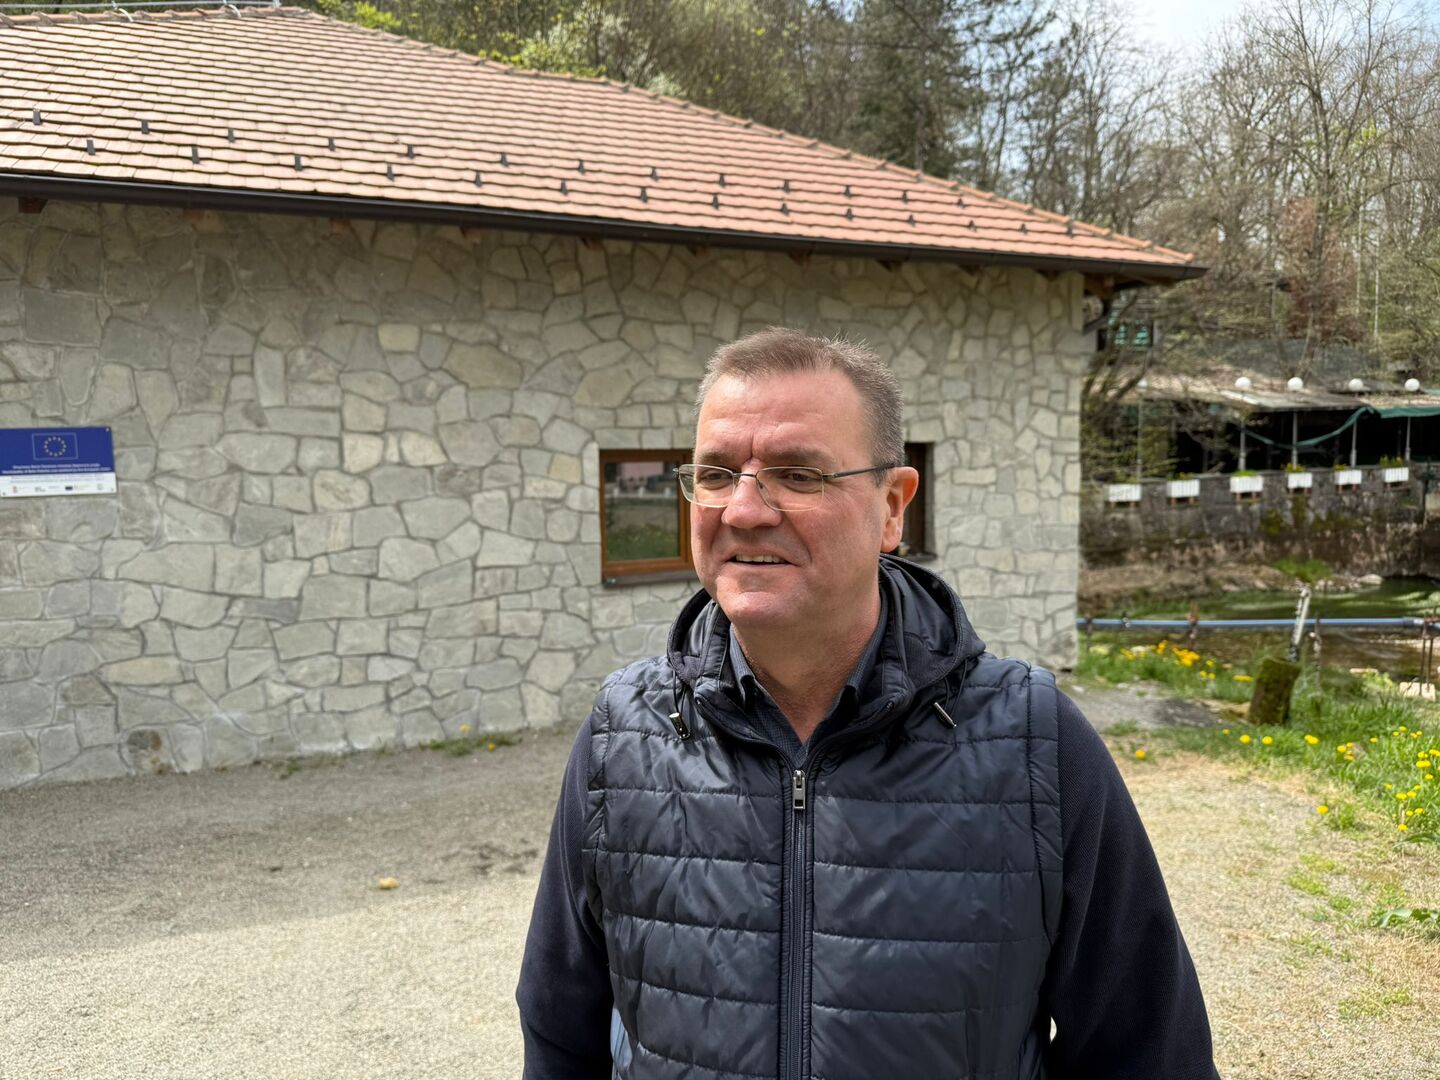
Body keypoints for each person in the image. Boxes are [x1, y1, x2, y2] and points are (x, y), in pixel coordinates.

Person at [517, 328, 1219, 1079]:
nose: (744, 509)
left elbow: (1148, 1054)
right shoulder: (621, 736)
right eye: (716, 474)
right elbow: (561, 1038)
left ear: (892, 507)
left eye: (796, 474)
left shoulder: (1033, 744)